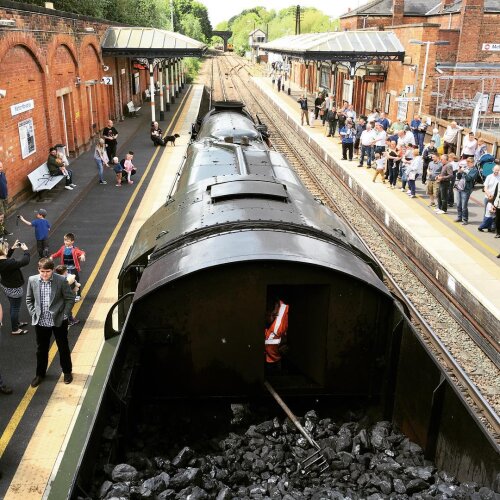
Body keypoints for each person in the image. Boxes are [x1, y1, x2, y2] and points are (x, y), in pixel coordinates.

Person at [26, 258, 75, 387]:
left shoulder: (61, 280)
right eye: (42, 271)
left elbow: (70, 298)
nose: (45, 274)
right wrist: (33, 314)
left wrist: (65, 314)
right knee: (41, 349)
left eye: (47, 271)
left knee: (63, 347)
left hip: (59, 320)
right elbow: (29, 299)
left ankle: (67, 372)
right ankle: (40, 374)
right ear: (38, 270)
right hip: (41, 322)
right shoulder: (32, 280)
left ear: (52, 270)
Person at [0, 239, 30, 335]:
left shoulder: (3, 261)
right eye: (7, 248)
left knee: (13, 305)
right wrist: (26, 250)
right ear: (3, 250)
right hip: (14, 288)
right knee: (15, 308)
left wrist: (12, 249)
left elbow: (5, 257)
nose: (8, 249)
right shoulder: (9, 263)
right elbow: (25, 261)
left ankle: (16, 323)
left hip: (6, 285)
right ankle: (15, 329)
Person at [50, 232, 85, 302]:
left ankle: (78, 295)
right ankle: (67, 295)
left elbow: (81, 252)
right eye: (65, 240)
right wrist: (52, 256)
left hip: (73, 269)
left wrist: (82, 255)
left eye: (67, 241)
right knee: (65, 282)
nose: (65, 242)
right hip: (65, 269)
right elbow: (57, 254)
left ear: (72, 241)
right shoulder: (63, 248)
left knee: (75, 282)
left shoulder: (75, 249)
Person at [264, 298, 289, 374]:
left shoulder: (286, 312)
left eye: (274, 315)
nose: (271, 318)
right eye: (267, 315)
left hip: (276, 360)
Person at [454, 157, 478, 225]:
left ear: (472, 163)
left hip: (466, 189)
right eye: (467, 161)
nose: (467, 163)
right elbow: (458, 177)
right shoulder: (465, 168)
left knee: (464, 205)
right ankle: (459, 217)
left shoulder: (474, 170)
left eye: (469, 162)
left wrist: (464, 172)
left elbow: (469, 178)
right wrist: (459, 172)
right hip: (459, 188)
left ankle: (465, 219)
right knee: (458, 204)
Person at [0, 161, 11, 233]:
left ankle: (3, 229)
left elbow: (5, 184)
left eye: (1, 166)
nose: (0, 168)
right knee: (1, 215)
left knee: (5, 213)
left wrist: (6, 194)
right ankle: (1, 231)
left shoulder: (3, 174)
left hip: (5, 197)